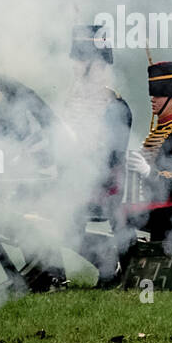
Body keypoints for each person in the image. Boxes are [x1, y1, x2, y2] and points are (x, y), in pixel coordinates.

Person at [60, 25, 133, 277]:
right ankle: (52, 272)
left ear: (98, 65)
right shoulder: (71, 102)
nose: (74, 65)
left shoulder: (114, 107)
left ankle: (105, 257)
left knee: (53, 217)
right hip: (73, 180)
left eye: (80, 58)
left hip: (101, 187)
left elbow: (111, 157)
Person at [125, 60, 172, 253]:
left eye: (159, 94)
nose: (153, 99)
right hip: (157, 205)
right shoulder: (160, 131)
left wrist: (148, 171)